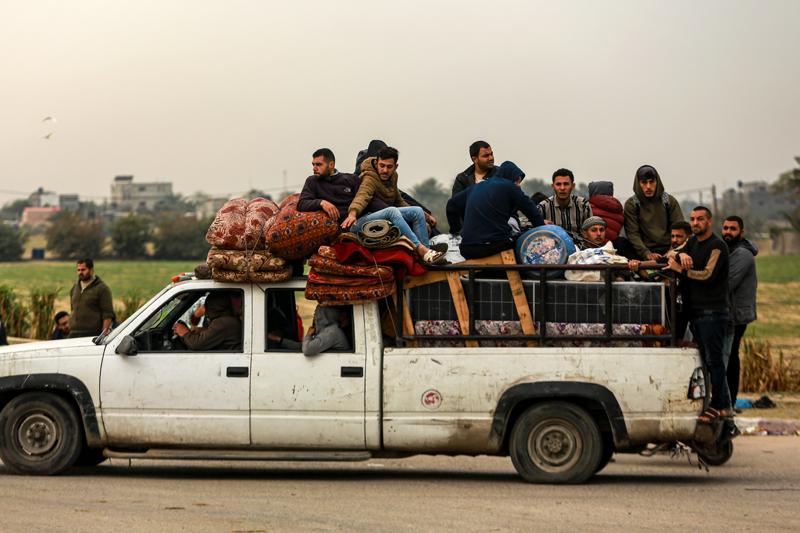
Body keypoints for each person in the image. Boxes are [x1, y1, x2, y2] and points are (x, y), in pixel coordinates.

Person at [664, 206, 737, 442]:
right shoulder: (692, 242)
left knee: (715, 361)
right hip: (697, 313)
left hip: (713, 312)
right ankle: (712, 404)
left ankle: (721, 405)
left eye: (700, 219)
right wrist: (679, 256)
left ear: (709, 221)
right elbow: (669, 254)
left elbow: (707, 275)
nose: (695, 223)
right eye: (693, 219)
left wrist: (682, 270)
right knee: (705, 360)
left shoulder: (717, 246)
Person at [342, 146, 445, 265]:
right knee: (392, 211)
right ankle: (420, 249)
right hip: (360, 222)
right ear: (376, 163)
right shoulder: (369, 177)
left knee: (417, 211)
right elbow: (362, 196)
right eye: (382, 165)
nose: (385, 170)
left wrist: (425, 216)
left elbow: (399, 200)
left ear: (396, 167)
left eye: (389, 167)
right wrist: (353, 213)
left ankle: (427, 255)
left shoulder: (393, 177)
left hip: (380, 218)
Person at [448, 161, 545, 259]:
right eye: (518, 181)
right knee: (523, 241)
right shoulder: (510, 187)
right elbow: (531, 210)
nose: (519, 185)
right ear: (512, 178)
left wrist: (455, 229)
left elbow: (451, 205)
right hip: (494, 247)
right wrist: (543, 232)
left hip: (467, 249)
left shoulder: (474, 187)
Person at [298, 148, 387, 225]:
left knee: (394, 211)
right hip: (349, 225)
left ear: (331, 165)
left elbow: (368, 199)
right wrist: (321, 202)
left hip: (363, 217)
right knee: (392, 213)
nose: (314, 168)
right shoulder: (312, 181)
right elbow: (302, 204)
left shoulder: (351, 179)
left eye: (318, 164)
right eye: (313, 164)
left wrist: (387, 209)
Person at [722, 215, 758, 406]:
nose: (728, 232)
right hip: (730, 312)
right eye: (726, 228)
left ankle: (731, 400)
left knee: (731, 356)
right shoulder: (729, 250)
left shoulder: (743, 254)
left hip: (737, 314)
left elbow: (727, 283)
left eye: (732, 229)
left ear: (741, 233)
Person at [624, 165, 684, 261]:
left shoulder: (668, 201)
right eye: (644, 182)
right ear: (638, 183)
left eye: (651, 182)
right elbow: (633, 234)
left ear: (657, 182)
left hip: (670, 248)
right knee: (622, 243)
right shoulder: (632, 204)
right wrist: (646, 253)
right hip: (643, 251)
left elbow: (680, 229)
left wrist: (672, 251)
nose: (648, 186)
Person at [173, 292, 242, 351]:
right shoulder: (228, 321)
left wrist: (185, 333)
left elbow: (196, 345)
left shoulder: (222, 323)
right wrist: (204, 330)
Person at [537, 168, 593, 241]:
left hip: (580, 249)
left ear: (573, 186)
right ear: (553, 186)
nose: (562, 188)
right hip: (552, 249)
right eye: (558, 184)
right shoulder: (543, 207)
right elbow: (526, 223)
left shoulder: (583, 205)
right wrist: (540, 222)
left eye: (566, 184)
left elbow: (592, 230)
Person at [68, 258, 114, 338]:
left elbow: (107, 315)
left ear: (92, 270)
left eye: (83, 270)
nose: (80, 272)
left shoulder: (102, 289)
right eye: (78, 270)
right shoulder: (75, 288)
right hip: (74, 333)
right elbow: (72, 309)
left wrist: (103, 335)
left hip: (92, 334)